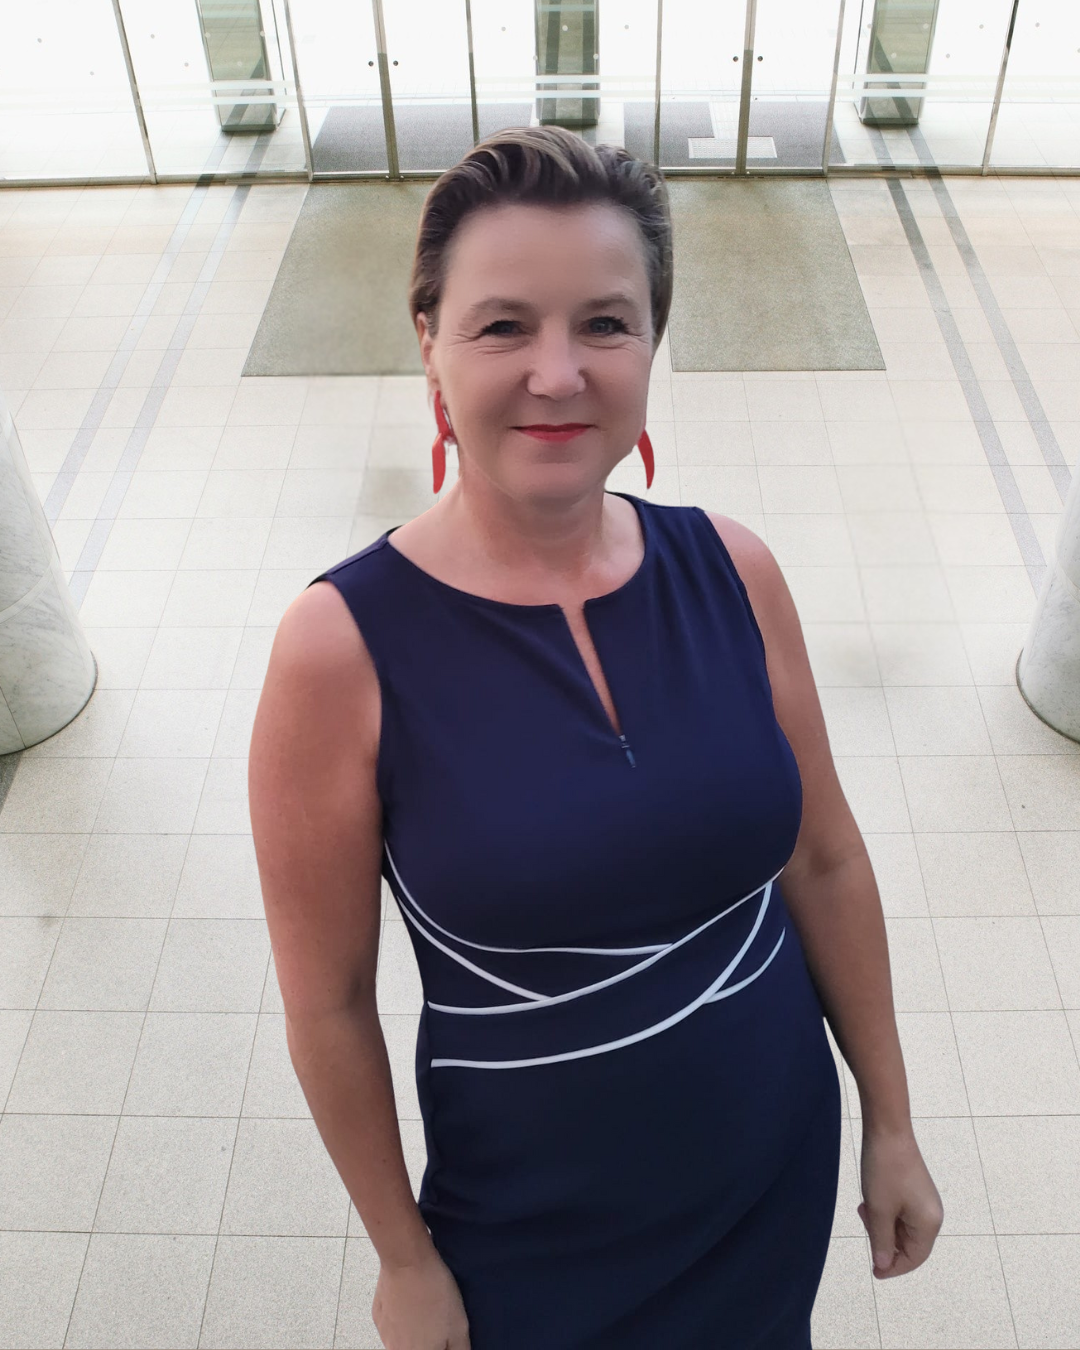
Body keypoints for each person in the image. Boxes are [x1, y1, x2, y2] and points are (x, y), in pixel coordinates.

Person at [248, 125, 944, 1350]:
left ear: (652, 344)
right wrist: (403, 1258)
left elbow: (824, 860)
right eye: (504, 326)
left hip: (771, 1168)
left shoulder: (733, 570)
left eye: (606, 324)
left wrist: (890, 1119)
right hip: (533, 1226)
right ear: (429, 341)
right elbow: (331, 1005)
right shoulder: (340, 650)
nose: (559, 373)